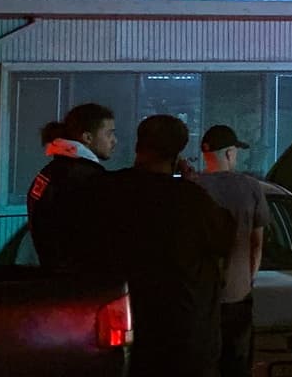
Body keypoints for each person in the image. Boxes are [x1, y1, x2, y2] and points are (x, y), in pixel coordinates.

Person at [84, 115, 236, 377]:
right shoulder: (190, 200)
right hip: (182, 334)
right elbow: (225, 238)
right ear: (178, 154)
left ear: (138, 146)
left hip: (122, 326)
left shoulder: (105, 190)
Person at [193, 125, 270, 377]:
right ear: (228, 154)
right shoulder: (250, 188)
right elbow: (257, 242)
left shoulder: (190, 187)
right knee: (236, 364)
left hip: (197, 299)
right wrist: (248, 279)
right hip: (237, 296)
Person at [27, 103, 116, 269]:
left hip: (55, 276)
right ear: (87, 137)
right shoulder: (86, 179)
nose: (114, 141)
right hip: (79, 281)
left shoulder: (51, 172)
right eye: (109, 133)